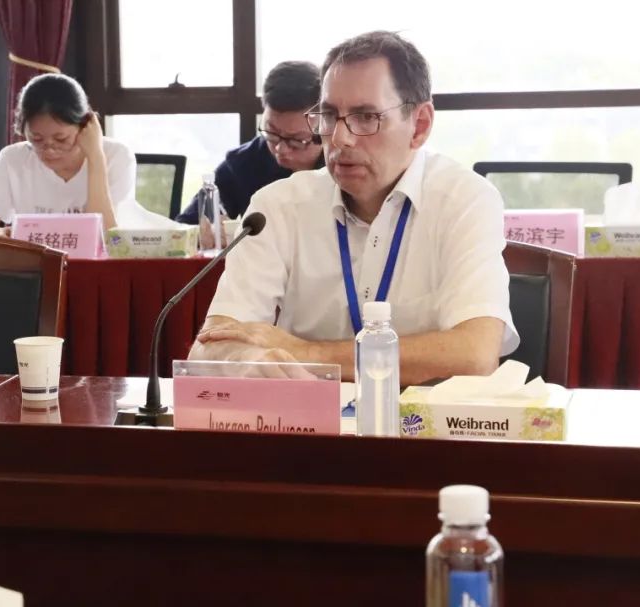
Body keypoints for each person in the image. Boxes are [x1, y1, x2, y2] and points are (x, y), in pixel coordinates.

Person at [190, 31, 518, 386]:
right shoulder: (277, 206)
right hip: (307, 416)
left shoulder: (464, 200)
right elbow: (209, 348)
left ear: (419, 126)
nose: (340, 138)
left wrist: (307, 353)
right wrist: (248, 360)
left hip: (421, 418)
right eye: (329, 115)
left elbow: (475, 353)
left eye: (366, 117)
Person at [176, 61, 325, 226]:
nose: (280, 149)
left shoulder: (342, 165)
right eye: (272, 133)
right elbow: (185, 226)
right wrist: (206, 230)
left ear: (325, 126)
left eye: (296, 141)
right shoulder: (244, 164)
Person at [0, 73, 135, 231]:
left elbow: (109, 236)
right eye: (37, 139)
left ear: (84, 125)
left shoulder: (116, 156)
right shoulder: (13, 159)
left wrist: (95, 157)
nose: (49, 149)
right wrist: (6, 234)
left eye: (61, 139)